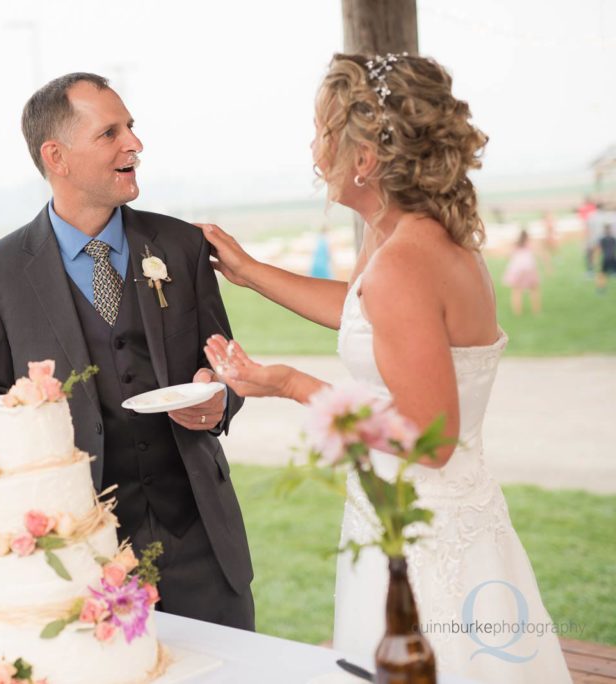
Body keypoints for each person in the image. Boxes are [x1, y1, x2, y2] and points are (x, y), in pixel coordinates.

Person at [196, 54, 570, 682]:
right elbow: (365, 314)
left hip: (425, 537)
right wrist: (251, 272)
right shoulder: (403, 237)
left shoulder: (403, 262)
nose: (313, 148)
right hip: (438, 513)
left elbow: (431, 442)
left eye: (321, 132)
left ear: (362, 158)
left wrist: (289, 384)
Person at [0, 73, 254, 629]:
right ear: (57, 156)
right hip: (78, 556)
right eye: (110, 133)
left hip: (201, 546)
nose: (134, 145)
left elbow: (225, 366)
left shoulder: (182, 246)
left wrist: (221, 400)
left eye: (132, 129)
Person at [502, 228, 542, 315]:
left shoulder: (516, 245)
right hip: (529, 269)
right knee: (534, 290)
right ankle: (536, 310)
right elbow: (539, 252)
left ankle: (517, 312)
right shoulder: (529, 244)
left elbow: (507, 255)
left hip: (517, 270)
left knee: (516, 291)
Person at [596, 224, 616, 292]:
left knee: (602, 274)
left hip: (606, 259)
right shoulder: (613, 238)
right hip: (612, 258)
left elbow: (599, 250)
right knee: (603, 274)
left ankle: (601, 289)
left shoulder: (602, 239)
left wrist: (597, 259)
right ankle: (601, 288)